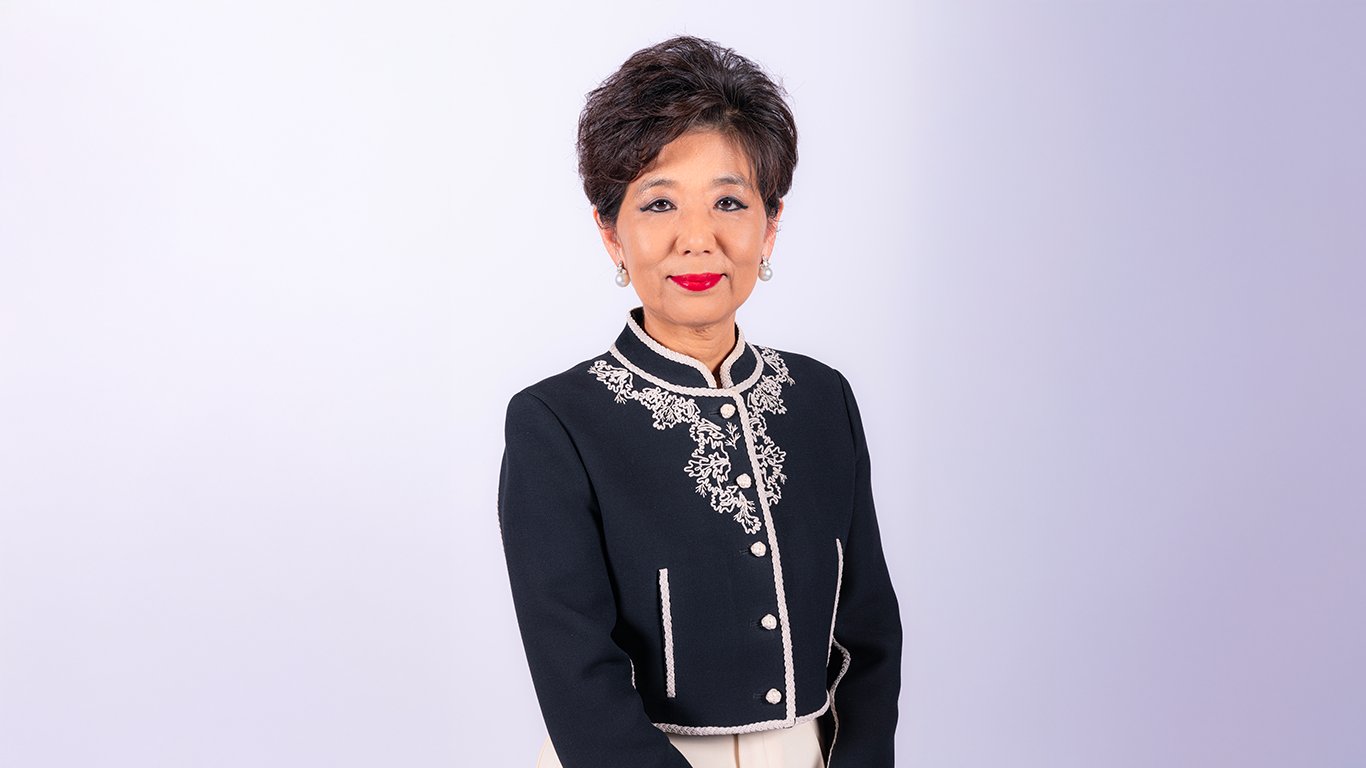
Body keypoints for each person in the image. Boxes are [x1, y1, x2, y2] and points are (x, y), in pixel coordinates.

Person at [497, 36, 902, 768]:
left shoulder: (823, 402)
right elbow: (576, 677)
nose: (697, 240)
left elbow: (868, 636)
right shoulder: (556, 425)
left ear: (769, 224)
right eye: (659, 203)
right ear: (610, 233)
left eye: (729, 202)